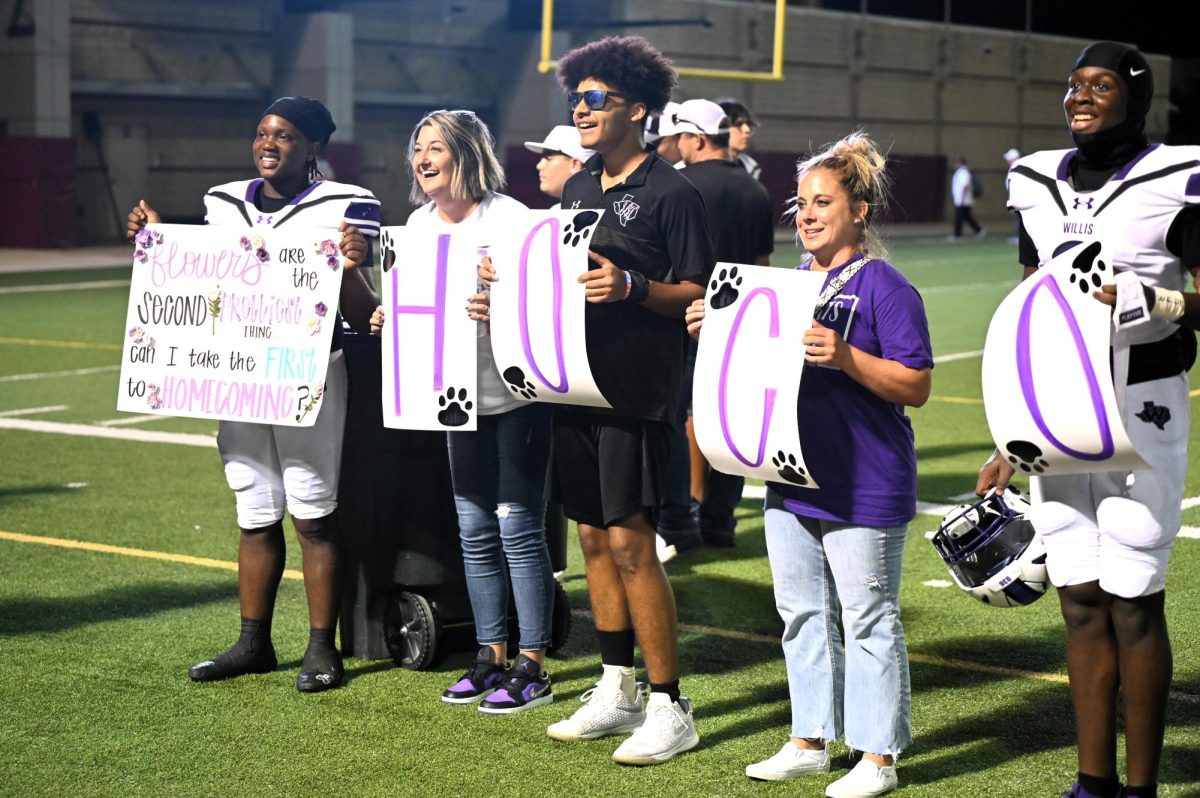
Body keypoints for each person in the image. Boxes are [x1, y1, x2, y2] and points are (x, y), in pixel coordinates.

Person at [978, 42, 1200, 798]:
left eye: (1099, 85)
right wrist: (1010, 434)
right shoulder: (1035, 181)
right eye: (1073, 85)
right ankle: (1093, 782)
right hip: (1057, 413)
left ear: (1134, 97)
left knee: (1134, 601)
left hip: (1142, 402)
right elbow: (1031, 312)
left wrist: (1161, 304)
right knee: (1078, 598)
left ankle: (1140, 789)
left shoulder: (1176, 175)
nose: (1079, 96)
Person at [687, 131, 930, 797]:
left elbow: (915, 384)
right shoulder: (783, 286)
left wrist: (847, 357)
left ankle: (878, 756)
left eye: (823, 202)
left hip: (863, 479)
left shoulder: (884, 285)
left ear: (860, 211)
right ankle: (809, 739)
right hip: (791, 478)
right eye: (799, 204)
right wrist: (717, 327)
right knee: (799, 613)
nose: (808, 214)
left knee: (869, 619)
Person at [125, 96, 380, 693]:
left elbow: (367, 312)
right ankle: (253, 641)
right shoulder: (223, 201)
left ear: (313, 147)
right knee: (253, 508)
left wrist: (347, 268)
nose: (269, 143)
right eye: (263, 133)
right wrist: (157, 240)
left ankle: (321, 647)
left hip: (310, 371)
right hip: (240, 374)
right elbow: (205, 279)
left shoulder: (345, 207)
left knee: (313, 512)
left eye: (285, 135)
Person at [530, 35, 714, 764]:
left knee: (634, 544)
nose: (581, 108)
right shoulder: (577, 188)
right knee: (590, 538)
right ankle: (617, 684)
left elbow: (700, 293)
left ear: (636, 109)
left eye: (595, 97)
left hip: (637, 390)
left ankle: (671, 705)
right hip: (577, 386)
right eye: (576, 97)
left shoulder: (674, 192)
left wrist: (635, 288)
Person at [370, 110, 556, 715]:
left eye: (435, 148)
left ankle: (534, 664)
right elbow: (415, 308)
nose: (422, 159)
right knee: (474, 531)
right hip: (455, 400)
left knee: (518, 528)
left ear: (467, 154)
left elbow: (546, 304)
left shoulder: (511, 220)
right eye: (416, 148)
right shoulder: (416, 227)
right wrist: (386, 317)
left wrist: (502, 304)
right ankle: (490, 655)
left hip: (514, 395)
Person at [657, 98, 774, 550]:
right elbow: (764, 263)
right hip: (741, 319)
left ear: (697, 138)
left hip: (687, 316)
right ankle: (720, 521)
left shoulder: (680, 186)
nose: (678, 146)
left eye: (682, 137)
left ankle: (677, 518)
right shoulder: (756, 190)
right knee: (733, 421)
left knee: (672, 417)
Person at [524, 124, 595, 207]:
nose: (539, 166)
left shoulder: (607, 212)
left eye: (548, 157)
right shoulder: (555, 211)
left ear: (575, 165)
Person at [716, 97, 762, 180]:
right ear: (721, 127)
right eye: (738, 124)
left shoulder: (750, 166)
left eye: (748, 124)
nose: (747, 129)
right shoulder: (693, 168)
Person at [948, 156, 986, 240]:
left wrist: (961, 198)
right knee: (967, 217)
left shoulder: (963, 172)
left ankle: (957, 234)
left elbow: (964, 185)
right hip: (962, 199)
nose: (955, 164)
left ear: (960, 163)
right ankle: (979, 230)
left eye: (956, 163)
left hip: (963, 199)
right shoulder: (960, 172)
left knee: (959, 217)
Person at [1003, 147, 1021, 244]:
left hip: (1018, 198)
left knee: (1019, 218)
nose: (1007, 160)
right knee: (1017, 218)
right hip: (1014, 198)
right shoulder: (1013, 168)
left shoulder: (1017, 168)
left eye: (1009, 158)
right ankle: (1017, 236)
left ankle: (1019, 237)